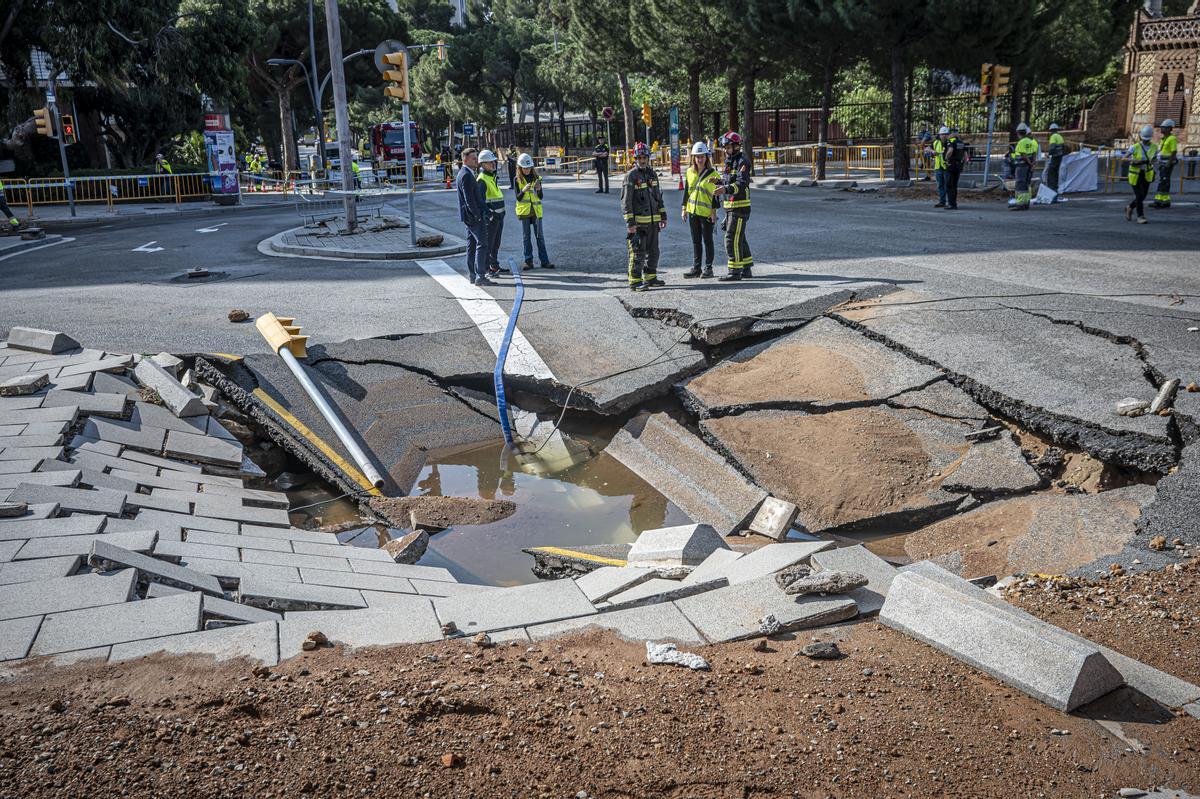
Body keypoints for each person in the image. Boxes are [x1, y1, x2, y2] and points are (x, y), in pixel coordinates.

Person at [620, 142, 666, 292]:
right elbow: (626, 201)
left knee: (653, 251)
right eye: (639, 157)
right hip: (639, 223)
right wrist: (630, 222)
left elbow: (658, 196)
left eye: (644, 157)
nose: (642, 160)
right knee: (638, 252)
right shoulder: (631, 176)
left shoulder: (652, 174)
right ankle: (635, 281)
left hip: (653, 222)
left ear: (648, 157)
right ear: (635, 159)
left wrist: (663, 215)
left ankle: (650, 277)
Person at [713, 131, 752, 281]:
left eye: (728, 147)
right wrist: (718, 182)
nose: (725, 150)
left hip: (740, 206)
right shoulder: (730, 161)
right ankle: (746, 268)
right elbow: (728, 181)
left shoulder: (743, 161)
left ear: (736, 146)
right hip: (731, 206)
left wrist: (726, 189)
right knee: (740, 237)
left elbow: (741, 184)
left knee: (731, 238)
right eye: (724, 147)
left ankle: (735, 271)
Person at [680, 142, 719, 279]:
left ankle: (708, 268)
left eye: (702, 156)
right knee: (696, 241)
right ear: (693, 158)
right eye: (697, 157)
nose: (700, 159)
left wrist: (714, 212)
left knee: (707, 240)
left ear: (706, 157)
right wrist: (684, 209)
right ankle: (697, 268)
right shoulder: (690, 172)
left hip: (706, 213)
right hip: (692, 212)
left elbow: (716, 195)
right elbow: (687, 191)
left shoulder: (713, 174)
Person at [455, 147, 492, 286]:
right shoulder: (465, 175)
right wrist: (478, 216)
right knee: (482, 244)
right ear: (465, 159)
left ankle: (473, 275)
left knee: (471, 245)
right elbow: (469, 199)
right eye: (473, 158)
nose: (476, 160)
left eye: (476, 158)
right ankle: (480, 276)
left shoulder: (466, 173)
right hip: (472, 217)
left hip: (468, 216)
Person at [514, 153, 555, 270]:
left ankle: (545, 261)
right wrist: (523, 190)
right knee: (526, 237)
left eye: (529, 167)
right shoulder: (517, 179)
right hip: (525, 212)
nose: (527, 170)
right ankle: (528, 261)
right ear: (520, 168)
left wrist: (539, 189)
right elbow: (518, 197)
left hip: (536, 212)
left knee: (540, 237)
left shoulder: (537, 179)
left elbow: (540, 196)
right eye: (524, 168)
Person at [477, 149, 505, 276]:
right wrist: (490, 215)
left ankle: (494, 265)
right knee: (489, 244)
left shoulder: (491, 176)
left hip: (499, 216)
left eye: (493, 162)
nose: (493, 164)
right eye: (490, 162)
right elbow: (481, 202)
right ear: (482, 164)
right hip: (492, 218)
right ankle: (488, 269)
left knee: (496, 244)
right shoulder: (482, 179)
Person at [1125, 124, 1157, 225]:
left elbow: (1155, 158)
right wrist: (1135, 160)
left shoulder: (1154, 147)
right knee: (1139, 195)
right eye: (1144, 139)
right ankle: (1140, 216)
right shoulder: (1135, 147)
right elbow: (1124, 158)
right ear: (1140, 137)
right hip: (1135, 174)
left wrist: (1153, 161)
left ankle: (1129, 207)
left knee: (1143, 196)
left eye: (1147, 139)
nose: (1145, 141)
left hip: (1146, 174)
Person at [1010, 122, 1038, 210]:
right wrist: (1032, 164)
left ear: (1018, 133)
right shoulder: (1032, 142)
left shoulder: (1021, 142)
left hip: (1021, 166)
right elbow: (1034, 153)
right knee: (1026, 184)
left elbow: (1023, 155)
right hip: (1028, 167)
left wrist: (1029, 163)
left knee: (1020, 184)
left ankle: (1020, 203)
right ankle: (1026, 202)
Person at [1152, 119, 1178, 209]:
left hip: (1167, 163)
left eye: (1164, 128)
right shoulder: (1164, 139)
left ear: (1169, 129)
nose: (1162, 129)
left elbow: (1174, 152)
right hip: (1162, 163)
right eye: (1161, 127)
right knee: (1163, 181)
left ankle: (1161, 202)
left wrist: (1169, 163)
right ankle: (1162, 201)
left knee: (1164, 181)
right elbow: (1161, 151)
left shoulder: (1172, 139)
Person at [943, 129, 966, 210]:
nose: (948, 135)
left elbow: (950, 151)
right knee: (954, 185)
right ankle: (954, 203)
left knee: (949, 185)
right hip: (958, 165)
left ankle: (951, 204)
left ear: (952, 134)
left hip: (951, 164)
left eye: (949, 134)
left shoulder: (951, 141)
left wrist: (946, 159)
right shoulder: (961, 142)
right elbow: (965, 156)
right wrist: (962, 165)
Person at [1045, 123, 1066, 199]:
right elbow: (1063, 148)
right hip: (1059, 157)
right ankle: (1055, 191)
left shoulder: (1053, 137)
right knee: (1056, 173)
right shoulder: (1060, 137)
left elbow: (1052, 148)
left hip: (1055, 157)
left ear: (1051, 130)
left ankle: (1051, 191)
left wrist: (1049, 154)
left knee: (1051, 174)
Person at [932, 126, 949, 207]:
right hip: (938, 167)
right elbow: (927, 148)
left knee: (948, 185)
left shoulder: (950, 142)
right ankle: (942, 201)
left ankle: (950, 202)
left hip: (947, 167)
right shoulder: (936, 142)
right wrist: (932, 151)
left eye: (946, 134)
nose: (944, 136)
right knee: (940, 185)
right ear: (939, 135)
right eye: (942, 134)